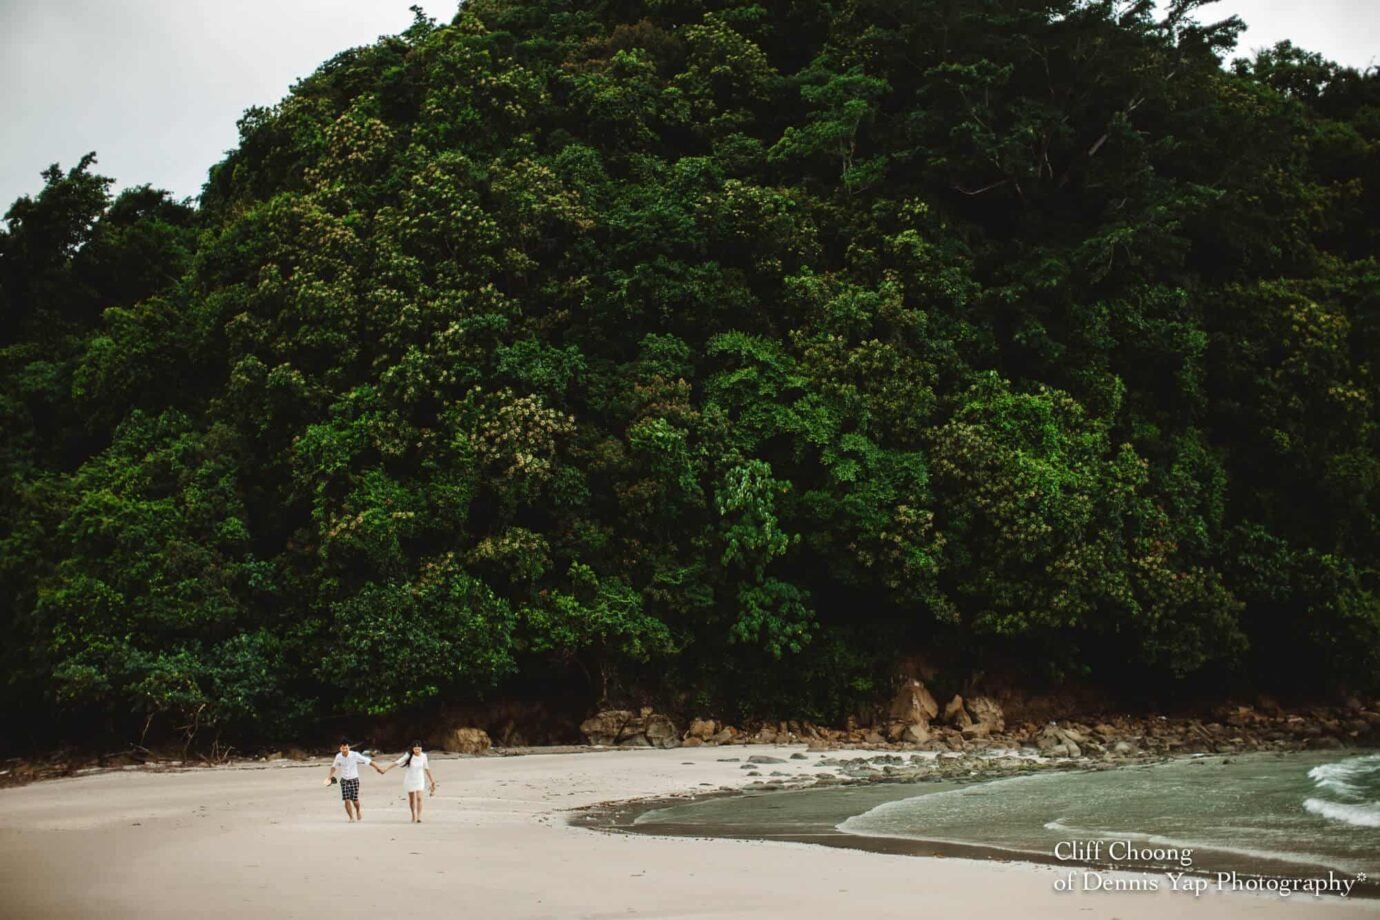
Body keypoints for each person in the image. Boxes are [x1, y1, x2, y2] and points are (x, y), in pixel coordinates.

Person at [324, 740, 383, 822]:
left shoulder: (355, 755)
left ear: (349, 748)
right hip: (344, 780)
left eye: (346, 748)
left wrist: (378, 768)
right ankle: (351, 817)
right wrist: (329, 776)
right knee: (346, 799)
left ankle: (358, 810)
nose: (345, 750)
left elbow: (368, 761)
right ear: (340, 749)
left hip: (354, 779)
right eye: (343, 748)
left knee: (354, 800)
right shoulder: (338, 756)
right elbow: (334, 767)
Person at [379, 740, 437, 823]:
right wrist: (386, 769)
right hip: (410, 779)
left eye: (419, 749)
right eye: (415, 749)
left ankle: (419, 817)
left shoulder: (424, 756)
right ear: (413, 749)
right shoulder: (408, 755)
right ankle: (413, 815)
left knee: (419, 798)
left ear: (421, 748)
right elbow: (397, 762)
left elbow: (427, 768)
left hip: (420, 779)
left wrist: (432, 781)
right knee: (412, 799)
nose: (417, 751)